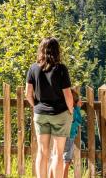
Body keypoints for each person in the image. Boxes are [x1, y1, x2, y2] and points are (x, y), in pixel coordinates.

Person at [24, 37, 74, 178]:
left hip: (40, 114)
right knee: (58, 153)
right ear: (57, 51)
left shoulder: (33, 68)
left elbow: (28, 93)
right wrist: (70, 111)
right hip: (60, 114)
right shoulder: (61, 69)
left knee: (42, 151)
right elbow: (68, 95)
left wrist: (37, 106)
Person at [61, 87, 84, 178]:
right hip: (69, 136)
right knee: (66, 161)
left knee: (56, 158)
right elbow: (78, 121)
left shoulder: (61, 110)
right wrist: (78, 108)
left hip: (59, 135)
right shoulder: (73, 110)